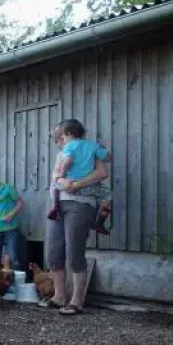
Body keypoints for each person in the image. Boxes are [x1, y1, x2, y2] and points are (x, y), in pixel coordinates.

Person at [44, 120, 110, 316]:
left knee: (74, 251)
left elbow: (102, 172)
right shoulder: (63, 153)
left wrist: (76, 184)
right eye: (57, 139)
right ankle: (59, 296)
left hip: (80, 204)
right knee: (53, 252)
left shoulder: (89, 150)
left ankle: (77, 301)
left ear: (69, 134)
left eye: (59, 138)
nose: (58, 142)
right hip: (57, 205)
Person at [47, 119, 112, 235]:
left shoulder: (69, 146)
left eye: (62, 137)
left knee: (55, 185)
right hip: (88, 186)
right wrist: (104, 152)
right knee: (107, 196)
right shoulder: (93, 145)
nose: (62, 140)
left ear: (69, 134)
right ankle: (99, 222)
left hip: (70, 183)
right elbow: (108, 158)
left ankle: (55, 207)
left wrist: (61, 175)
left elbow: (68, 161)